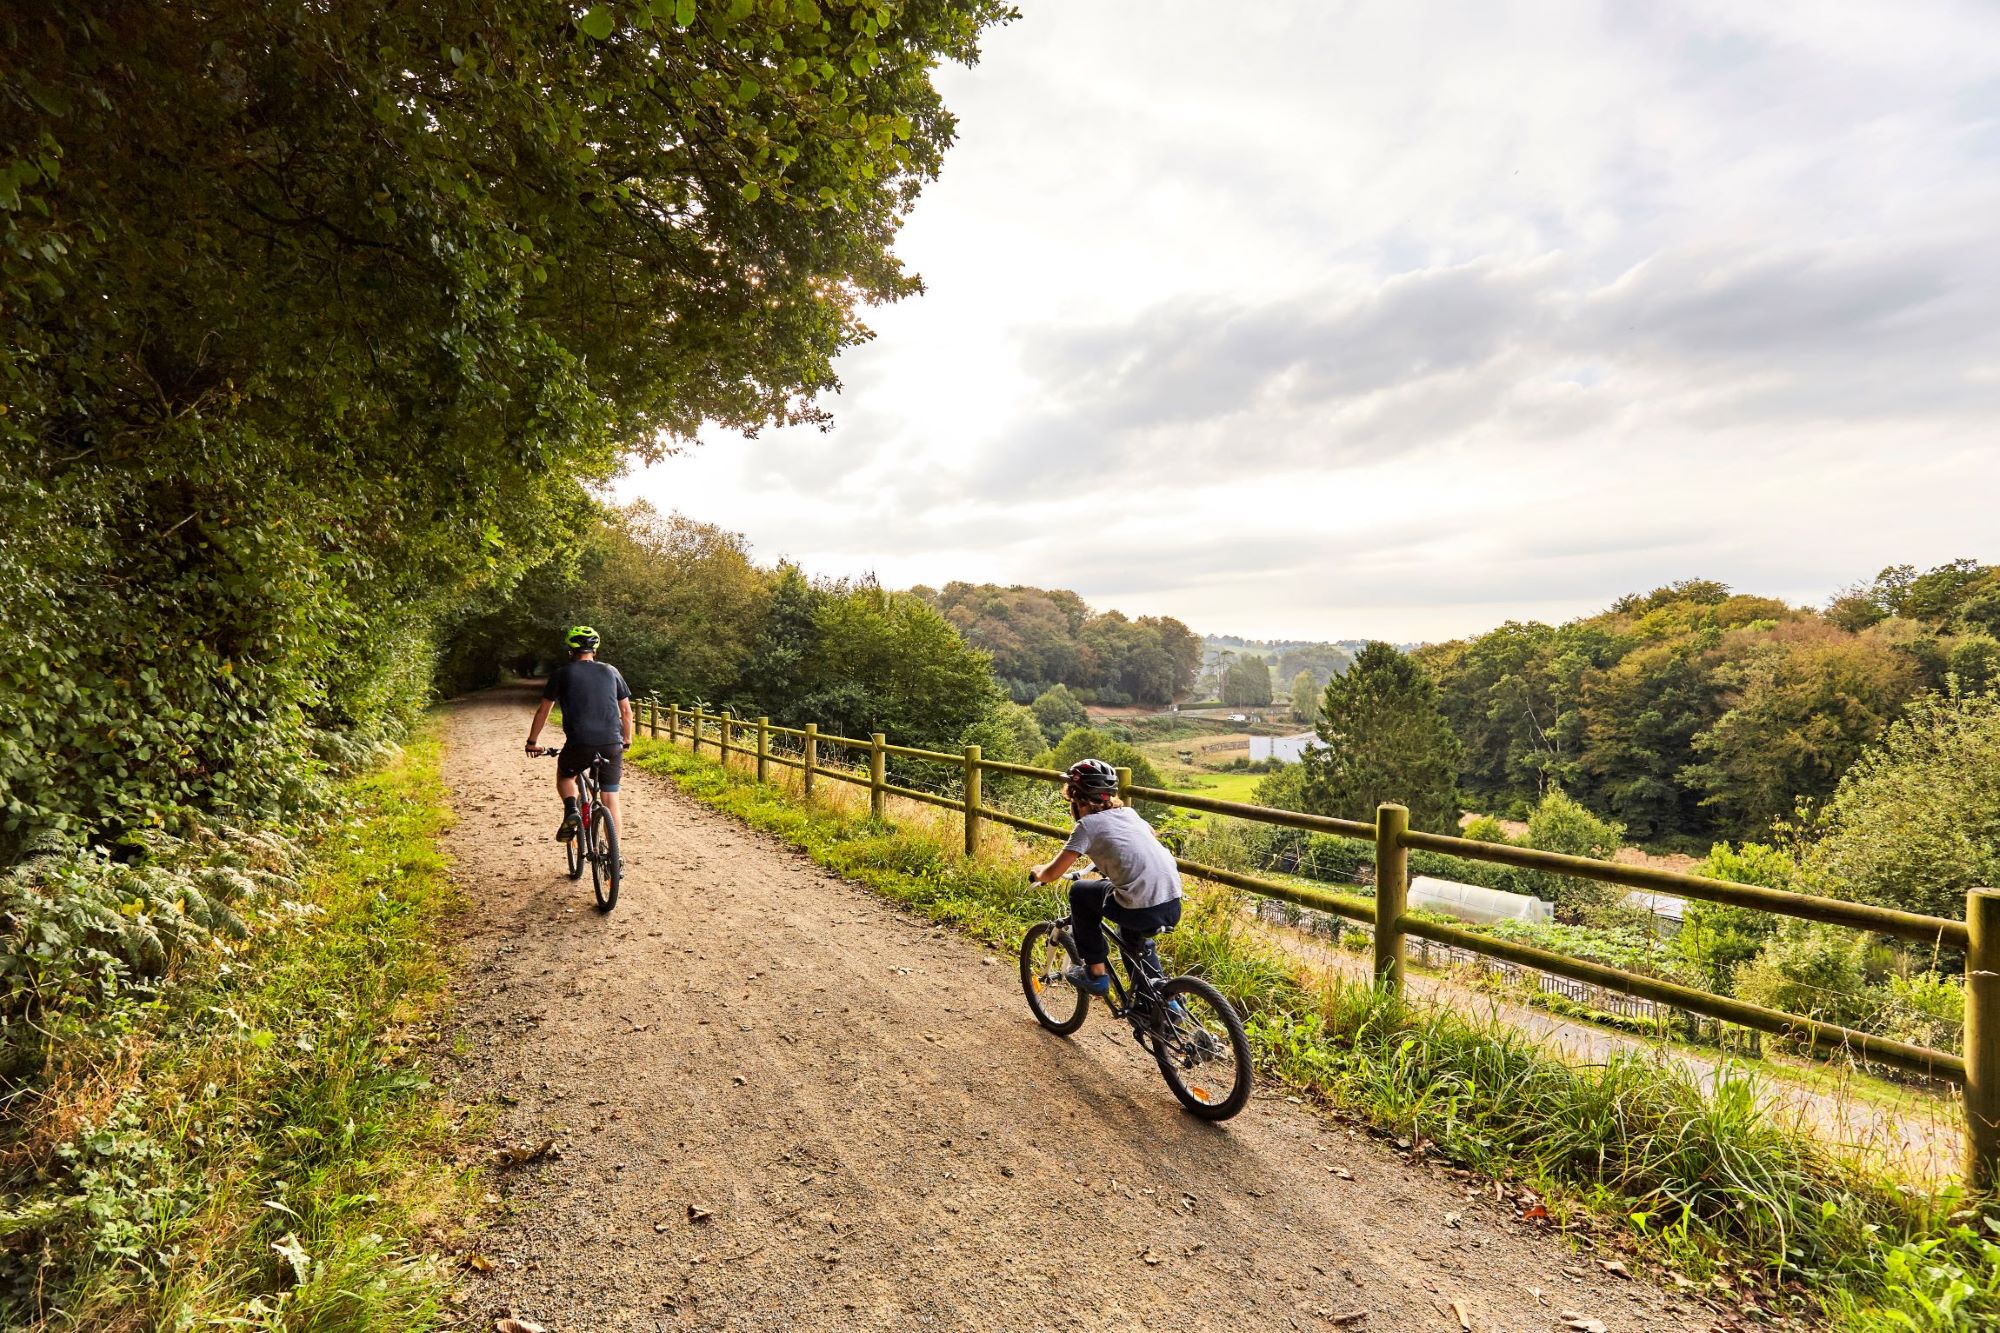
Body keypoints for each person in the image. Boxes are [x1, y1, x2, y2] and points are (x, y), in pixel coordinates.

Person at [1027, 758, 1183, 995]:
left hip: (1140, 907)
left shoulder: (1087, 826)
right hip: (1172, 902)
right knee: (1132, 936)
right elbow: (1143, 840)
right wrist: (1111, 862)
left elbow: (1053, 873)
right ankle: (1161, 1003)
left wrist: (1038, 872)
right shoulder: (1129, 813)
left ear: (1075, 796)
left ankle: (1096, 974)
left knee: (1080, 892)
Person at [525, 625, 634, 842]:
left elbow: (543, 711)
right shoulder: (611, 671)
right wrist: (627, 740)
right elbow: (626, 711)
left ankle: (571, 810)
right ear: (595, 649)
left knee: (565, 776)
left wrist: (532, 742)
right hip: (612, 743)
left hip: (579, 744)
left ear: (570, 650)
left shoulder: (561, 674)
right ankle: (615, 858)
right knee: (610, 797)